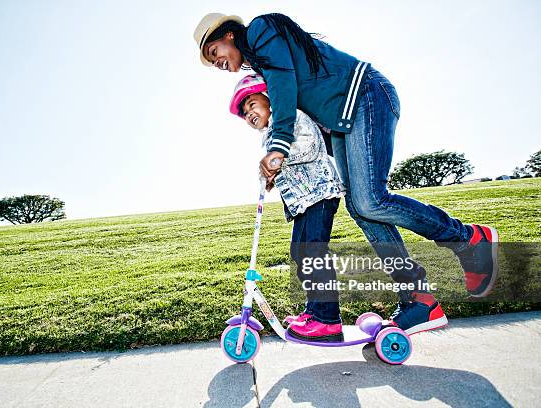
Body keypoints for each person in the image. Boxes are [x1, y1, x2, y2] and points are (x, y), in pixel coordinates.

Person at [194, 13, 499, 334]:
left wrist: (279, 147)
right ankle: (419, 299)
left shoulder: (260, 31)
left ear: (229, 35)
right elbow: (306, 107)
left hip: (365, 95)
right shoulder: (260, 60)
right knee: (362, 207)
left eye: (215, 52)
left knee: (370, 200)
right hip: (343, 121)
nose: (217, 63)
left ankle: (468, 239)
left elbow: (284, 85)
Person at [230, 73, 348, 342]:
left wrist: (277, 160)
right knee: (300, 254)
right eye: (245, 113)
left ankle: (328, 320)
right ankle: (313, 311)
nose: (249, 114)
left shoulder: (290, 117)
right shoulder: (269, 136)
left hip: (320, 194)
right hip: (304, 203)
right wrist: (272, 177)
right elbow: (282, 165)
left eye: (252, 104)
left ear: (270, 99)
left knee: (314, 253)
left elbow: (309, 146)